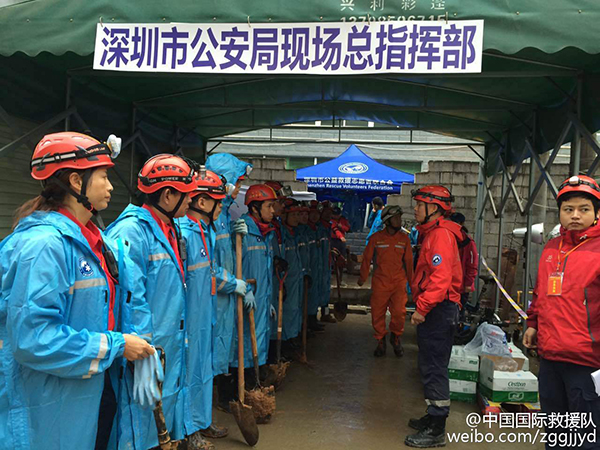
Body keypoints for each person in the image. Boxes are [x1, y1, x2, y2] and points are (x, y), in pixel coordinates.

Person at [0, 132, 156, 450]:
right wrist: (116, 346)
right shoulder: (45, 247)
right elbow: (34, 338)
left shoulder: (93, 241)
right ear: (76, 180)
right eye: (103, 176)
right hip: (47, 404)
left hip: (89, 394)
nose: (111, 186)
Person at [106, 153, 196, 449]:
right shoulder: (132, 231)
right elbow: (131, 299)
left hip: (166, 344)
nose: (191, 202)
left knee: (159, 420)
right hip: (144, 349)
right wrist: (142, 349)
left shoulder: (171, 227)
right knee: (136, 423)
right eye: (187, 195)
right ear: (167, 195)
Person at [523, 175, 600, 449]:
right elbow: (541, 291)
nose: (575, 216)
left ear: (596, 213)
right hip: (550, 357)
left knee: (584, 437)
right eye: (568, 210)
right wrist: (533, 323)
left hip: (587, 362)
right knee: (555, 432)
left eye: (584, 209)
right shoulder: (552, 248)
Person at [179, 168, 245, 448]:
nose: (222, 209)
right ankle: (188, 429)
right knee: (188, 375)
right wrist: (233, 283)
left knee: (202, 374)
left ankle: (200, 422)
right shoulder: (185, 233)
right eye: (219, 203)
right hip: (189, 319)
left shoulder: (203, 231)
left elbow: (211, 271)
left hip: (204, 316)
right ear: (202, 203)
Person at [405, 185, 462, 448]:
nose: (415, 209)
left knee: (435, 367)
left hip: (439, 309)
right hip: (437, 308)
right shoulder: (432, 234)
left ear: (435, 209)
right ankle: (432, 414)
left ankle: (437, 428)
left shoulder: (440, 236)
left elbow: (440, 280)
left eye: (419, 205)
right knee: (428, 364)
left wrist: (422, 308)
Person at [205, 153, 253, 412]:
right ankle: (204, 415)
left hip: (223, 300)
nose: (238, 191)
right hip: (213, 299)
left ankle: (216, 405)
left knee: (223, 349)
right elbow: (206, 267)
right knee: (208, 355)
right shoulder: (205, 217)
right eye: (237, 183)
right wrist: (233, 283)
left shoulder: (222, 216)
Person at [231, 184, 278, 384]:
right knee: (241, 346)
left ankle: (253, 383)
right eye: (269, 206)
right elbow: (233, 267)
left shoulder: (267, 233)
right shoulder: (242, 232)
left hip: (260, 300)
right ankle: (238, 388)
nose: (273, 211)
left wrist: (268, 299)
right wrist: (246, 290)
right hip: (243, 301)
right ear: (255, 208)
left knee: (257, 342)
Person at [358, 206, 413, 357]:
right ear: (388, 221)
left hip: (398, 283)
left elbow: (409, 262)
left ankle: (395, 337)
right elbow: (367, 258)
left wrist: (412, 284)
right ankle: (380, 340)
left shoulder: (404, 239)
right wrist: (362, 278)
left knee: (399, 313)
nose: (399, 221)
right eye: (396, 218)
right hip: (380, 282)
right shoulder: (376, 238)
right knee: (377, 313)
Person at [277, 199, 306, 354]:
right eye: (293, 215)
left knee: (294, 309)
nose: (297, 218)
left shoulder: (293, 234)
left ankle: (292, 337)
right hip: (286, 281)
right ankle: (285, 342)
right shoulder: (281, 234)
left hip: (296, 279)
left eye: (298, 214)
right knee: (287, 311)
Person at [449, 212, 479, 314]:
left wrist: (468, 283)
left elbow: (472, 264)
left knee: (458, 312)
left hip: (460, 286)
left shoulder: (468, 242)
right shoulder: (446, 238)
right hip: (446, 285)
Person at [306, 200, 326, 332]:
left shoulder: (319, 229)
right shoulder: (305, 231)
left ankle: (313, 319)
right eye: (312, 214)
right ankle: (307, 323)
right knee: (307, 298)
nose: (315, 216)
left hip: (318, 266)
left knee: (315, 295)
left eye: (317, 214)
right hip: (308, 268)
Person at [319, 201, 336, 323]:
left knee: (325, 290)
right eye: (326, 212)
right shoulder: (318, 227)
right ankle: (312, 317)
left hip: (326, 263)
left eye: (330, 213)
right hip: (318, 264)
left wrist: (331, 250)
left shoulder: (328, 226)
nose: (328, 215)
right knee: (317, 291)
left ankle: (325, 313)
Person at [330, 206, 351, 287]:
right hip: (333, 240)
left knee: (341, 261)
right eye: (334, 214)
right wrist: (341, 236)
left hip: (341, 242)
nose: (336, 216)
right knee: (331, 261)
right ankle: (331, 280)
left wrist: (341, 226)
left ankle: (340, 280)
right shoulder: (330, 220)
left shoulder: (343, 219)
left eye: (337, 215)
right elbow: (334, 229)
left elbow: (348, 228)